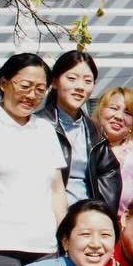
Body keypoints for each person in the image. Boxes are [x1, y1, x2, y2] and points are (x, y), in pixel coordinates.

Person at [0, 53, 68, 266]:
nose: (32, 95)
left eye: (40, 89)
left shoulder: (45, 130)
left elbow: (57, 191)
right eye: (25, 86)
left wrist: (64, 238)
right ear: (4, 83)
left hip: (44, 248)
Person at [35, 50, 120, 211]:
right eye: (72, 78)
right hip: (49, 215)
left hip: (87, 217)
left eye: (88, 81)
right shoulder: (37, 125)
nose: (80, 87)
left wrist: (102, 215)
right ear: (54, 82)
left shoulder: (95, 131)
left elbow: (109, 174)